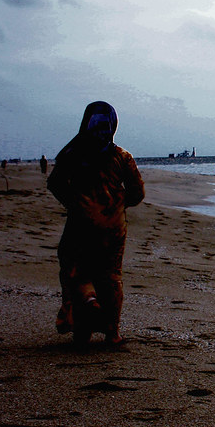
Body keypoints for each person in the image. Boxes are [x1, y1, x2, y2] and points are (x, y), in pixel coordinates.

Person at [47, 101, 144, 345]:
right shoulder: (122, 156)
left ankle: (87, 313)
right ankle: (112, 332)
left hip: (81, 223)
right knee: (111, 275)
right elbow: (137, 192)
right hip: (113, 226)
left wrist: (75, 204)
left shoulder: (73, 153)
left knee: (76, 272)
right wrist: (118, 205)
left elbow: (55, 183)